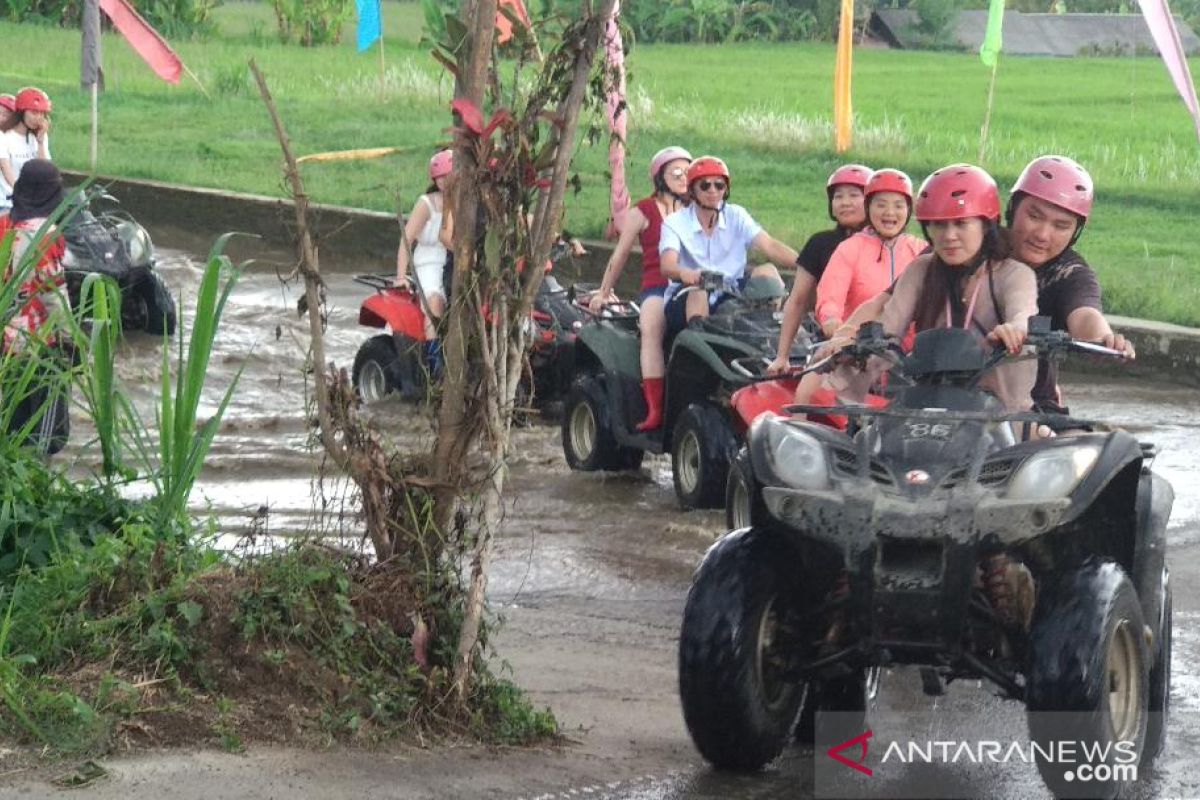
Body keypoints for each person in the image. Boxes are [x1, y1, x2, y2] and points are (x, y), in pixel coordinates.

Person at [815, 164, 1039, 414]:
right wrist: (847, 346)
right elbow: (889, 327)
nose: (949, 236)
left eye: (961, 224)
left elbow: (1023, 312)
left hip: (1000, 418)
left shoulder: (1015, 273)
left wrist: (1015, 330)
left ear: (987, 226)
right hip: (927, 409)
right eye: (939, 225)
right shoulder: (921, 269)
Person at [1005, 155, 1133, 413]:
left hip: (1030, 410)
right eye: (1034, 216)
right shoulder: (977, 250)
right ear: (1012, 208)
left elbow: (1085, 315)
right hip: (942, 396)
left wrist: (1103, 339)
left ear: (1075, 233)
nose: (1042, 234)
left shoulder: (1070, 273)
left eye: (1061, 226)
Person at [590, 146, 691, 432]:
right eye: (677, 173)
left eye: (688, 172)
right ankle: (655, 408)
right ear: (660, 177)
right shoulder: (642, 212)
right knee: (651, 327)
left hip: (692, 286)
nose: (684, 178)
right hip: (657, 287)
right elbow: (620, 254)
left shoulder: (696, 210)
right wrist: (603, 290)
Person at [659, 155, 795, 344]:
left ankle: (776, 335)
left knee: (768, 271)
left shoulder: (736, 215)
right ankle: (700, 346)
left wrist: (805, 264)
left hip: (731, 292)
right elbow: (667, 265)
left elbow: (769, 245)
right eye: (705, 185)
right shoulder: (675, 223)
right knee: (699, 291)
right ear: (692, 191)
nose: (713, 191)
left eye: (719, 185)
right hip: (687, 294)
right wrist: (686, 273)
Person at [766, 163, 871, 375]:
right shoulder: (820, 244)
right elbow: (797, 301)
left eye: (853, 195)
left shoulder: (893, 245)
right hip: (833, 344)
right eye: (838, 197)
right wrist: (782, 356)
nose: (845, 203)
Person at [813, 168, 925, 340]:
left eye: (898, 205)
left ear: (909, 210)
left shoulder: (920, 250)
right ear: (868, 207)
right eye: (881, 205)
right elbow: (831, 295)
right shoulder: (850, 248)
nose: (889, 212)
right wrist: (831, 319)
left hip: (914, 354)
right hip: (860, 348)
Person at [396, 149, 452, 342]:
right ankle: (434, 358)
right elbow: (406, 240)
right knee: (434, 302)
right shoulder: (427, 203)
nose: (444, 181)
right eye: (440, 177)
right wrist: (401, 276)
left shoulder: (464, 202)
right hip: (428, 265)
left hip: (453, 262)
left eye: (449, 176)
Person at [0, 88, 52, 220]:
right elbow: (7, 171)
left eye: (42, 113)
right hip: (6, 205)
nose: (38, 118)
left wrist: (40, 142)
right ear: (22, 112)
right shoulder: (4, 137)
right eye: (34, 112)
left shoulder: (39, 137)